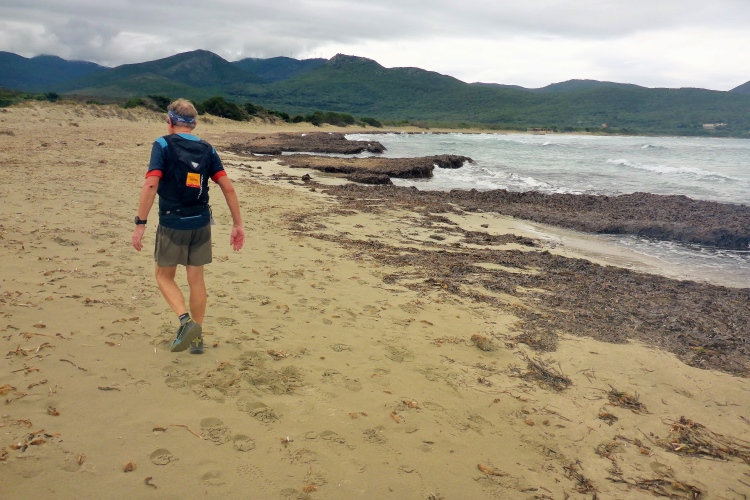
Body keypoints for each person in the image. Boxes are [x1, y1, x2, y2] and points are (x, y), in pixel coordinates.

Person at [131, 98, 245, 354]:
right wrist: (237, 224)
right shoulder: (207, 149)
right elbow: (228, 187)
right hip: (201, 222)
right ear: (194, 123)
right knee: (196, 279)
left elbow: (151, 184)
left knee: (163, 276)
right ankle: (196, 339)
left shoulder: (162, 144)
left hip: (173, 222)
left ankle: (185, 322)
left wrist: (140, 224)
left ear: (170, 121)